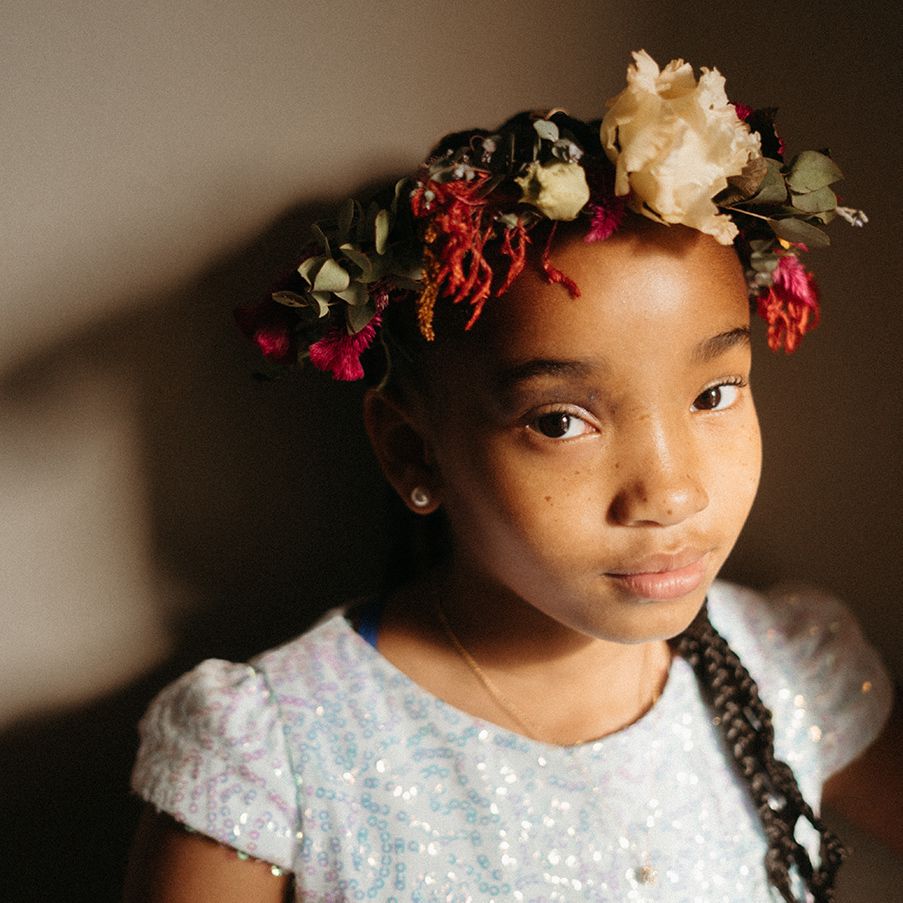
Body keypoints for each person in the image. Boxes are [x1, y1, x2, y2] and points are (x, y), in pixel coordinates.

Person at [125, 52, 897, 902]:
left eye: (713, 394)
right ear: (413, 450)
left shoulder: (787, 665)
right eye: (561, 421)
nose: (672, 494)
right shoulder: (278, 760)